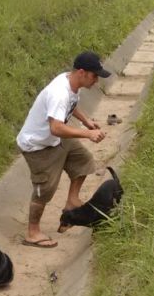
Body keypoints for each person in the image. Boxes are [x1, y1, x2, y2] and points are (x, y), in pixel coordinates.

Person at [16, 52, 110, 248]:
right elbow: (56, 127)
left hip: (54, 139)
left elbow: (71, 104)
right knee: (45, 189)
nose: (96, 80)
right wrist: (87, 134)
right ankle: (32, 232)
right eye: (94, 76)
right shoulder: (59, 93)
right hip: (38, 146)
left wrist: (86, 121)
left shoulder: (70, 82)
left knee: (83, 161)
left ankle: (72, 201)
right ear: (82, 73)